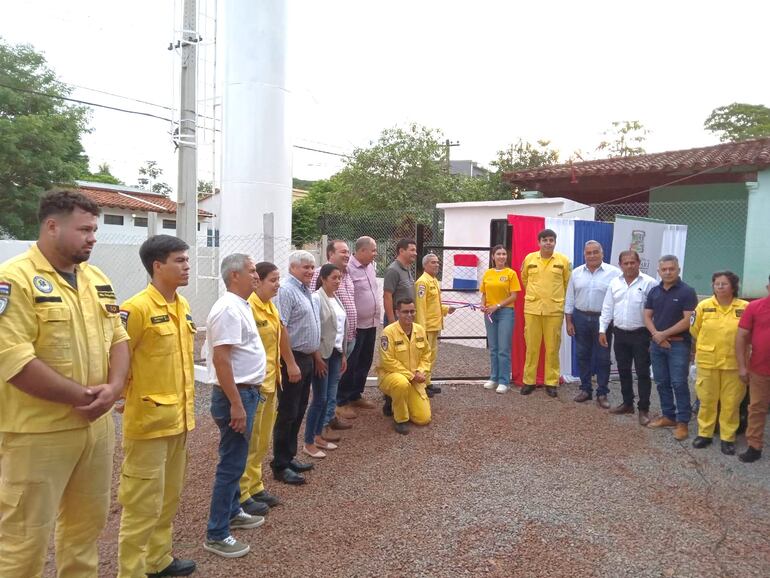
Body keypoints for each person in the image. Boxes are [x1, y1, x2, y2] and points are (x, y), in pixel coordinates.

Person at [0, 190, 130, 577]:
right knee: (24, 539)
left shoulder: (96, 278)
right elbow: (13, 358)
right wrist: (85, 396)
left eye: (95, 229)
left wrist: (115, 387)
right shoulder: (14, 279)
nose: (93, 237)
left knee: (85, 530)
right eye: (85, 229)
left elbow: (119, 338)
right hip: (38, 432)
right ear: (52, 226)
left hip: (96, 427)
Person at [117, 235, 197, 578]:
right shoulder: (134, 309)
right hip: (148, 425)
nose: (187, 266)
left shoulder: (182, 306)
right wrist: (123, 397)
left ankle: (158, 560)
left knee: (168, 498)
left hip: (178, 420)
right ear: (157, 266)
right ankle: (131, 571)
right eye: (179, 260)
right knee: (140, 505)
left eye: (186, 260)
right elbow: (117, 361)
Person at [203, 254, 267, 559]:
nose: (257, 276)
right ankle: (216, 533)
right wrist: (236, 405)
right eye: (252, 272)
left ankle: (232, 511)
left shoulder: (240, 305)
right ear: (234, 276)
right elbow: (221, 359)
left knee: (236, 459)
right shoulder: (228, 308)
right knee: (230, 465)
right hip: (236, 396)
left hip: (246, 393)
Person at [239, 262, 301, 514]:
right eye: (273, 280)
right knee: (250, 441)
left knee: (262, 440)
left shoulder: (269, 306)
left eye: (278, 279)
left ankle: (255, 485)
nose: (277, 284)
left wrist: (289, 363)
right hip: (255, 384)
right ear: (259, 281)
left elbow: (280, 333)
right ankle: (242, 493)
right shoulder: (249, 307)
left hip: (270, 382)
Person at [271, 250, 321, 485]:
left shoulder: (304, 290)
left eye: (312, 267)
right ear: (292, 268)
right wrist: (290, 362)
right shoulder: (287, 291)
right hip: (293, 359)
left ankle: (289, 457)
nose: (310, 271)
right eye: (305, 267)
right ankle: (280, 465)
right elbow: (282, 327)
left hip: (305, 359)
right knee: (288, 412)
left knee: (299, 409)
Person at [690, 271, 748, 455]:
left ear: (733, 286)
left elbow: (750, 334)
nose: (720, 287)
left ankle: (727, 437)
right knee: (707, 400)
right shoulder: (703, 306)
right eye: (717, 284)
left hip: (734, 363)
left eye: (724, 284)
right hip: (708, 362)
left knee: (731, 403)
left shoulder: (745, 307)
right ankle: (704, 434)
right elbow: (694, 330)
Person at [599, 250, 657, 425]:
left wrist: (654, 334)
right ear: (620, 265)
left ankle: (644, 409)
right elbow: (608, 307)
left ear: (639, 263)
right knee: (623, 370)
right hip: (620, 333)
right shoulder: (614, 283)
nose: (630, 266)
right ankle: (627, 403)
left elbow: (656, 311)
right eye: (626, 263)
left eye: (633, 262)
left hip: (642, 335)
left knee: (642, 372)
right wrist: (602, 330)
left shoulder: (650, 283)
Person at [644, 255, 698, 441]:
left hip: (678, 344)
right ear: (659, 271)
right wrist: (656, 337)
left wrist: (663, 335)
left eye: (671, 269)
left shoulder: (687, 292)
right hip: (657, 343)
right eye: (664, 269)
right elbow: (647, 316)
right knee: (661, 382)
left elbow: (687, 320)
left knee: (679, 383)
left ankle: (683, 421)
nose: (667, 272)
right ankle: (668, 416)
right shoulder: (654, 291)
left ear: (678, 270)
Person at [565, 241, 621, 408]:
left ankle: (602, 392)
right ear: (584, 254)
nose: (592, 255)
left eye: (595, 252)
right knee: (582, 355)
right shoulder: (575, 273)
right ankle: (585, 389)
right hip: (580, 318)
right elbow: (570, 298)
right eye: (588, 253)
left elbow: (619, 298)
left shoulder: (614, 273)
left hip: (603, 320)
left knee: (603, 358)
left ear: (602, 253)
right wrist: (569, 321)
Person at [310, 240, 357, 435]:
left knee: (333, 386)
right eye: (343, 251)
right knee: (321, 392)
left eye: (348, 252)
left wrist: (344, 351)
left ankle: (329, 418)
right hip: (324, 349)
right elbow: (315, 323)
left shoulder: (343, 282)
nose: (347, 255)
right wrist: (317, 354)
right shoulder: (318, 290)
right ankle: (319, 429)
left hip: (341, 345)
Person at [304, 264, 348, 458]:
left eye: (340, 278)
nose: (338, 281)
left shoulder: (336, 298)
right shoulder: (316, 299)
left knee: (329, 396)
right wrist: (317, 356)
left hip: (336, 353)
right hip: (321, 355)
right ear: (323, 279)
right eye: (334, 278)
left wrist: (343, 353)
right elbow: (313, 329)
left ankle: (319, 435)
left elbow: (339, 328)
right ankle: (308, 441)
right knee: (319, 399)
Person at [520, 229, 571, 398]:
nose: (548, 243)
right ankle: (529, 381)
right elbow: (524, 278)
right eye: (545, 240)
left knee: (552, 348)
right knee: (532, 347)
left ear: (555, 242)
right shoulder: (529, 259)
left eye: (551, 240)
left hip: (554, 310)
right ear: (539, 242)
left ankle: (551, 382)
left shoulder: (563, 261)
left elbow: (566, 282)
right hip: (533, 309)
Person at [337, 236, 380, 420]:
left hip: (371, 324)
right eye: (373, 250)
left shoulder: (371, 267)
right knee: (350, 364)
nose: (375, 254)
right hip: (356, 326)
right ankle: (342, 400)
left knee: (365, 361)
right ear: (362, 251)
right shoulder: (348, 270)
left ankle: (356, 395)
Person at [378, 299, 432, 434]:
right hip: (391, 376)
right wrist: (412, 375)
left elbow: (427, 354)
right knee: (401, 384)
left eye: (412, 311)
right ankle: (400, 419)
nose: (409, 314)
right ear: (397, 313)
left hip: (414, 378)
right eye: (405, 312)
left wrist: (421, 371)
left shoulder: (419, 330)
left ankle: (397, 400)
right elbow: (387, 361)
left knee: (423, 419)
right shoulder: (388, 332)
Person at [736, 274, 770, 463]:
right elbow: (741, 337)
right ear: (768, 287)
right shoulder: (755, 307)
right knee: (757, 407)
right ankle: (754, 446)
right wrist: (742, 366)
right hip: (760, 368)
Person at [480, 245, 521, 394]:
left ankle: (504, 381)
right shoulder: (488, 273)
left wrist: (497, 306)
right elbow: (484, 293)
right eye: (498, 254)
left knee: (503, 348)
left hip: (505, 313)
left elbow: (514, 296)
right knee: (494, 348)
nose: (502, 256)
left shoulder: (511, 273)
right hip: (490, 313)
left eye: (504, 254)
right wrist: (482, 304)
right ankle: (494, 377)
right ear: (493, 256)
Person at [414, 253, 455, 397]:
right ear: (425, 265)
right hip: (427, 327)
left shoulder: (435, 281)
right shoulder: (422, 282)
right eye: (433, 262)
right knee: (424, 356)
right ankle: (421, 385)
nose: (436, 264)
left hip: (435, 325)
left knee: (431, 356)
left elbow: (434, 304)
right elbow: (421, 307)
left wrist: (446, 309)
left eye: (437, 262)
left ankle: (427, 382)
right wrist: (421, 328)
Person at [383, 238, 417, 325]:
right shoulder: (393, 270)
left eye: (415, 250)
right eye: (412, 250)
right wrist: (392, 322)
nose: (415, 253)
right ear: (401, 251)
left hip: (406, 318)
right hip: (396, 319)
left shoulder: (407, 268)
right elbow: (387, 296)